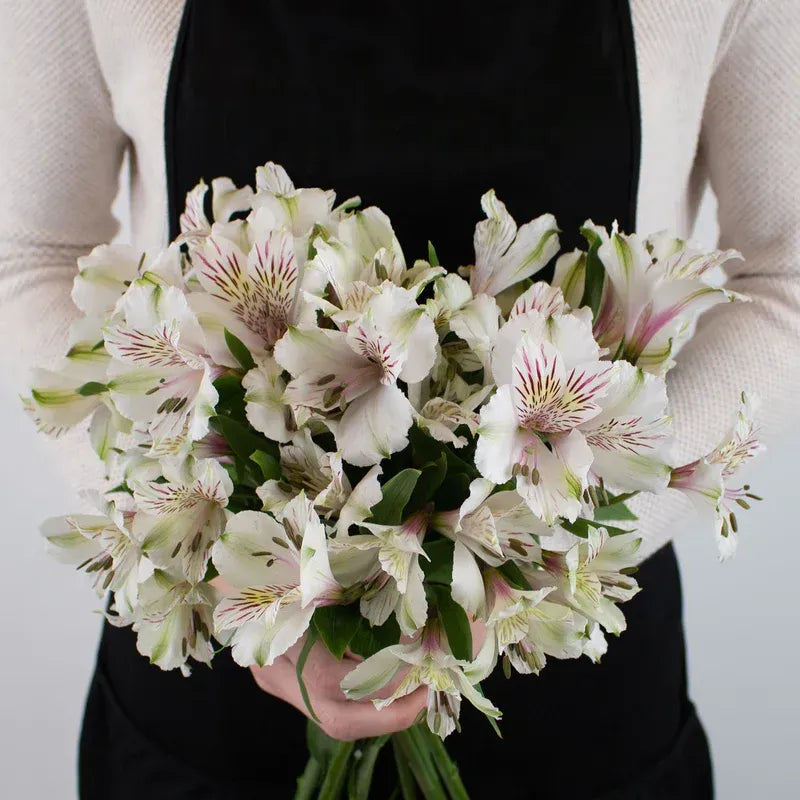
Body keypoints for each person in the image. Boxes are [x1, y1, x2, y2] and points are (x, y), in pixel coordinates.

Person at [1, 1, 798, 798]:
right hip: (218, 668)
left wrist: (534, 561)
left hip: (570, 670)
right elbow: (30, 254)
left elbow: (785, 276)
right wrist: (213, 559)